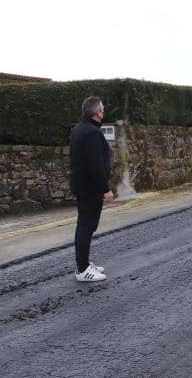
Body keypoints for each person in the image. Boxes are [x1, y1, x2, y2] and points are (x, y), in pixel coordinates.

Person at [69, 96, 113, 282]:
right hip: (90, 187)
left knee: (85, 225)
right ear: (97, 112)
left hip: (82, 185)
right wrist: (106, 189)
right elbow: (96, 165)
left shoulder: (78, 129)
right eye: (102, 109)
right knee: (86, 226)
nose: (103, 112)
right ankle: (83, 269)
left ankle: (84, 263)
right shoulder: (93, 133)